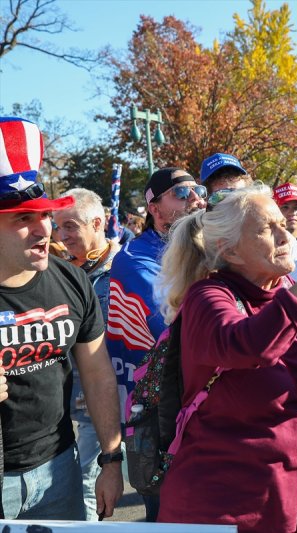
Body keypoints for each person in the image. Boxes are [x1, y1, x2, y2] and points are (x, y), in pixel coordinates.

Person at [156, 185, 297, 533]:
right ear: (229, 251)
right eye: (267, 229)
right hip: (225, 510)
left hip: (295, 500)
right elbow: (251, 347)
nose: (286, 235)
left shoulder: (283, 294)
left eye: (284, 224)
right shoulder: (207, 296)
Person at [0, 117, 122, 520]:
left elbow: (98, 374)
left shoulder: (71, 279)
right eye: (23, 219)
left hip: (57, 469)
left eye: (45, 215)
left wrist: (111, 458)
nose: (43, 230)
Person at [106, 166, 206, 521]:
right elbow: (178, 325)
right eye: (182, 193)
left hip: (198, 410)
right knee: (173, 518)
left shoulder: (200, 250)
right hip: (157, 421)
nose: (195, 199)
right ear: (154, 207)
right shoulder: (135, 260)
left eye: (199, 192)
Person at [54, 188, 121, 520]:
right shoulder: (58, 273)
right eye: (58, 227)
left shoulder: (128, 268)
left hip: (122, 403)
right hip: (74, 407)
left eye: (70, 226)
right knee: (79, 490)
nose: (62, 236)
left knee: (97, 487)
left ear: (97, 223)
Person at [199, 153, 297, 280]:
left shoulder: (283, 240)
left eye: (242, 195)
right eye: (222, 197)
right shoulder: (194, 244)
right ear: (205, 202)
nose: (235, 205)